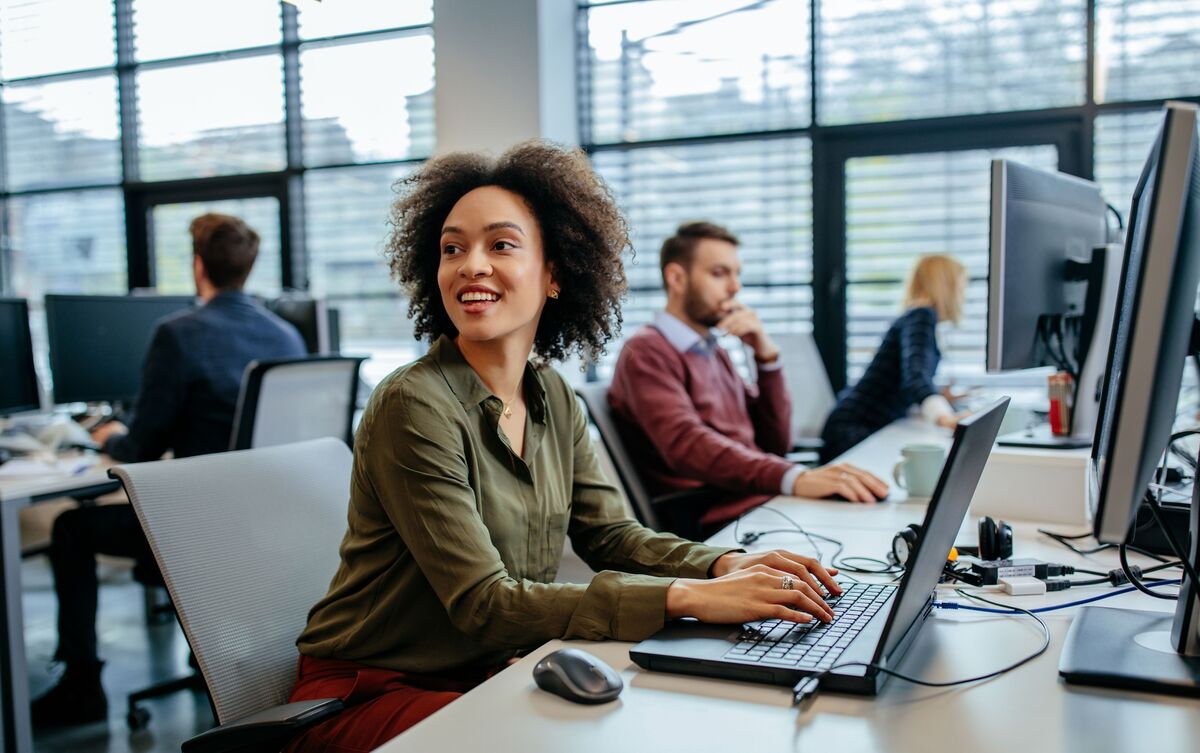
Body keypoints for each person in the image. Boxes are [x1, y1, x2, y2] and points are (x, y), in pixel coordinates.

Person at [284, 142, 843, 753]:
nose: (471, 264)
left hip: (487, 674)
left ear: (554, 274)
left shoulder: (551, 392)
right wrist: (691, 598)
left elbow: (611, 536)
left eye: (501, 244)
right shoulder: (412, 404)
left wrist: (721, 565)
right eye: (452, 248)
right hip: (369, 694)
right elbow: (485, 604)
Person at [31, 213, 307, 728]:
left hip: (200, 528)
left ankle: (81, 687)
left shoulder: (177, 334)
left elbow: (141, 445)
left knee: (70, 527)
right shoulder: (286, 335)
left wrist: (109, 435)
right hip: (270, 523)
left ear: (199, 266)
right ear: (247, 268)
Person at [608, 222, 888, 533]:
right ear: (676, 278)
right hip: (716, 516)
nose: (735, 287)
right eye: (719, 273)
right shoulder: (646, 351)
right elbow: (689, 445)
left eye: (736, 274)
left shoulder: (714, 351)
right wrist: (795, 478)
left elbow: (774, 443)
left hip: (757, 502)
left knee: (873, 513)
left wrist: (767, 360)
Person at [820, 254, 971, 463]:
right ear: (946, 286)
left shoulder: (917, 317)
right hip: (853, 429)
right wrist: (945, 418)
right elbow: (916, 378)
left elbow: (906, 378)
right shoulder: (922, 316)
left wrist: (939, 396)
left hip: (861, 423)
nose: (964, 296)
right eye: (962, 287)